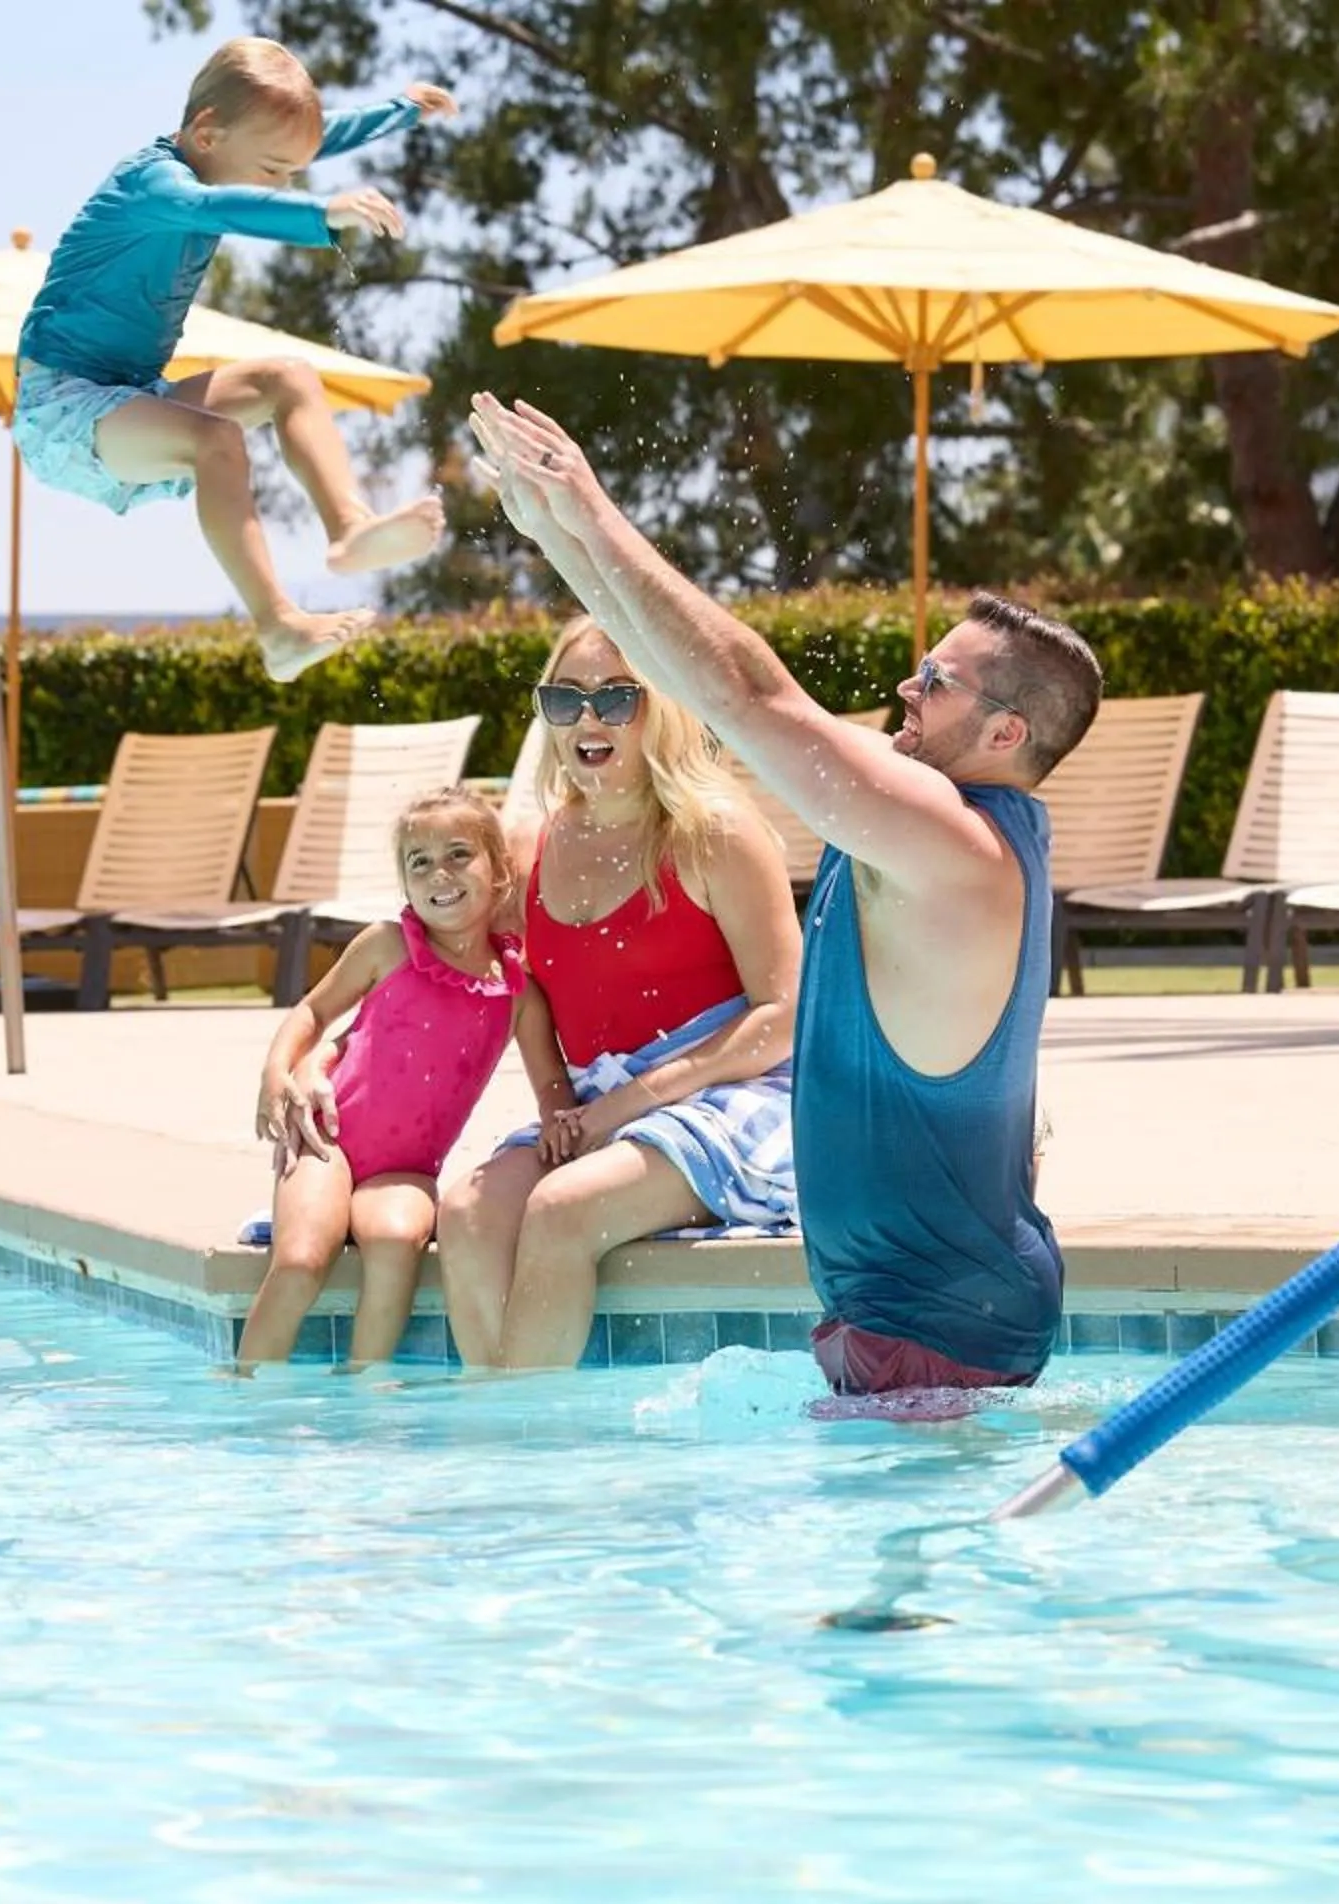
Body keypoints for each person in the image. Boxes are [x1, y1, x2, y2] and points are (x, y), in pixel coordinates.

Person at [467, 394, 1104, 1405]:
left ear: (1005, 736)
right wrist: (557, 537)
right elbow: (693, 678)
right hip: (909, 1319)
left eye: (936, 679)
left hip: (939, 1330)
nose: (906, 685)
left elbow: (746, 696)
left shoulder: (955, 842)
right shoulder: (934, 830)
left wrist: (591, 511)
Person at [424, 617, 805, 1371]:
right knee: (467, 1213)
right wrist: (314, 1055)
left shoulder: (714, 833)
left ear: (661, 706)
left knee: (562, 1211)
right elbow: (492, 981)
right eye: (564, 702)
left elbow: (786, 1014)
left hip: (735, 1091)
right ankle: (500, 1436)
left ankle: (541, 1449)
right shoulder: (532, 843)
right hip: (600, 1099)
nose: (587, 720)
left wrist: (627, 1107)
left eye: (615, 699)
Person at [14, 37, 454, 681]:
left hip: (135, 397)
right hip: (63, 407)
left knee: (289, 378)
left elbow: (315, 137)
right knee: (218, 440)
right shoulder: (153, 183)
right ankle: (278, 626)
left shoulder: (223, 151)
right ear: (207, 133)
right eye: (273, 171)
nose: (282, 184)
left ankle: (349, 528)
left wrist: (401, 109)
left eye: (291, 177)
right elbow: (217, 207)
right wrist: (320, 212)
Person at [243, 788, 569, 1372]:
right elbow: (312, 1013)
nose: (438, 873)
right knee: (299, 1260)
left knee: (396, 1243)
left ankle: (367, 1390)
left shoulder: (518, 991)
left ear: (498, 870)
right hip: (327, 1143)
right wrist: (277, 1072)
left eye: (458, 854)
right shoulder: (388, 945)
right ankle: (247, 1388)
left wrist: (564, 1137)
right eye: (419, 861)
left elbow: (553, 1089)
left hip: (406, 1169)